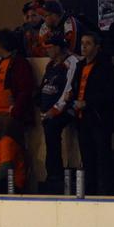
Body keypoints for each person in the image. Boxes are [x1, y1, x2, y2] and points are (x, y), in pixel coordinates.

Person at [70, 31, 114, 195]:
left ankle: (108, 193)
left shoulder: (106, 67)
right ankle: (90, 192)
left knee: (103, 158)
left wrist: (88, 103)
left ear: (97, 47)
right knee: (87, 158)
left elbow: (111, 92)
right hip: (83, 119)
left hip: (99, 119)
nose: (83, 46)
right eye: (82, 43)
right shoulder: (80, 65)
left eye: (88, 43)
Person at [38, 35, 79, 188]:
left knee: (52, 131)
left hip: (67, 109)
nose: (47, 51)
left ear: (58, 47)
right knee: (50, 138)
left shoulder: (71, 62)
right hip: (48, 110)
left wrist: (55, 110)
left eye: (49, 48)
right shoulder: (50, 65)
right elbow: (45, 85)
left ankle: (57, 175)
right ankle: (52, 174)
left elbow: (68, 90)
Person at [0, 28, 35, 143]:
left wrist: (15, 110)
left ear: (2, 44)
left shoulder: (20, 63)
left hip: (9, 115)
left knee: (11, 146)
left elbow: (25, 89)